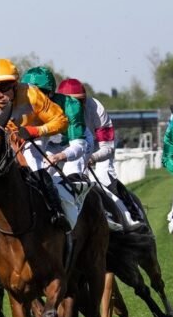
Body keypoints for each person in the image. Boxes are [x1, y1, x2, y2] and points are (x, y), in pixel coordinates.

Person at [0, 58, 70, 230]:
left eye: (4, 87)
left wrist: (34, 131)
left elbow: (62, 121)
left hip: (34, 135)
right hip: (6, 139)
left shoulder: (32, 94)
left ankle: (56, 212)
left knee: (33, 166)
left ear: (15, 84)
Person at [57, 78, 144, 229]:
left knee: (103, 178)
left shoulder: (96, 108)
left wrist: (93, 157)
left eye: (81, 101)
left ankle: (130, 217)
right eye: (72, 101)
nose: (78, 105)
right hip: (67, 153)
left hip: (98, 152)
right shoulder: (53, 110)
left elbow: (108, 147)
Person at [21, 67, 90, 177]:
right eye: (28, 93)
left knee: (71, 173)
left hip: (76, 142)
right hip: (50, 142)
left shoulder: (70, 107)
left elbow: (79, 146)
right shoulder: (21, 107)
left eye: (39, 93)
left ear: (51, 93)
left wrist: (59, 156)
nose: (34, 98)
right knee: (37, 172)